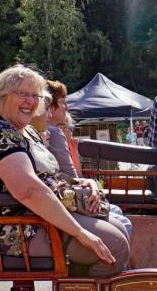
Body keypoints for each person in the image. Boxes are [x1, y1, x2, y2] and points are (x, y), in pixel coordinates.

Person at [0, 65, 129, 276]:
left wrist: (84, 183)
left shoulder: (28, 131)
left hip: (45, 215)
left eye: (35, 95)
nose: (30, 101)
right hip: (18, 227)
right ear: (2, 96)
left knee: (121, 228)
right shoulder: (0, 133)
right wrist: (80, 232)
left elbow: (50, 176)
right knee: (115, 245)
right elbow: (28, 190)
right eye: (22, 93)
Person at [46, 79, 133, 237]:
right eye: (62, 102)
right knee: (123, 221)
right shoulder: (55, 133)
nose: (67, 107)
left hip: (61, 198)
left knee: (117, 212)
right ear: (50, 107)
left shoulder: (50, 132)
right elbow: (75, 177)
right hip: (65, 201)